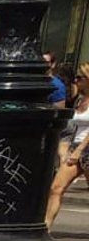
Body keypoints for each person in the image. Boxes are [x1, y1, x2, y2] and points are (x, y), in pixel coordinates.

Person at [45, 65, 89, 227]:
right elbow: (72, 128)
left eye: (80, 78)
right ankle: (46, 225)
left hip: (86, 148)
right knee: (56, 188)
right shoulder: (79, 100)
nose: (76, 81)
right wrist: (65, 151)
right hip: (75, 147)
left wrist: (79, 150)